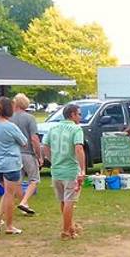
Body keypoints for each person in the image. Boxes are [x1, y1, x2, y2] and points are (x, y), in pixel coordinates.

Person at [43, 102, 86, 238]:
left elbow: (44, 146)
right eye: (79, 114)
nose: (80, 117)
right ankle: (66, 230)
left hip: (56, 170)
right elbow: (79, 148)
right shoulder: (76, 129)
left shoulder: (53, 128)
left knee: (63, 200)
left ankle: (70, 226)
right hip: (70, 170)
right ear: (72, 115)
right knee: (69, 201)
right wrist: (83, 169)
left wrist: (52, 159)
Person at [0, 97, 28, 235]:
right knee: (10, 195)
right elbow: (24, 142)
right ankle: (10, 226)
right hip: (11, 164)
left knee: (6, 193)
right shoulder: (10, 126)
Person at [11, 94, 42, 217]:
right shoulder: (30, 118)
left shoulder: (9, 119)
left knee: (18, 181)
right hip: (28, 153)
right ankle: (24, 202)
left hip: (14, 154)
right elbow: (34, 138)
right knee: (34, 179)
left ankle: (24, 205)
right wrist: (39, 155)